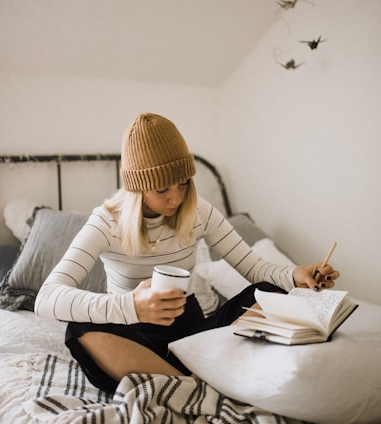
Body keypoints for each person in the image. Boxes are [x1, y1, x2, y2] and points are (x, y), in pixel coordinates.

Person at [34, 112, 339, 394]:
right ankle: (194, 384)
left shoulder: (198, 211)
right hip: (134, 342)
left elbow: (254, 268)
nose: (176, 197)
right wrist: (131, 306)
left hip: (196, 338)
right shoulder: (106, 222)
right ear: (138, 189)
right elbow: (46, 298)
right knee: (79, 328)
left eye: (182, 184)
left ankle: (181, 380)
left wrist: (294, 275)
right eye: (163, 189)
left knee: (270, 292)